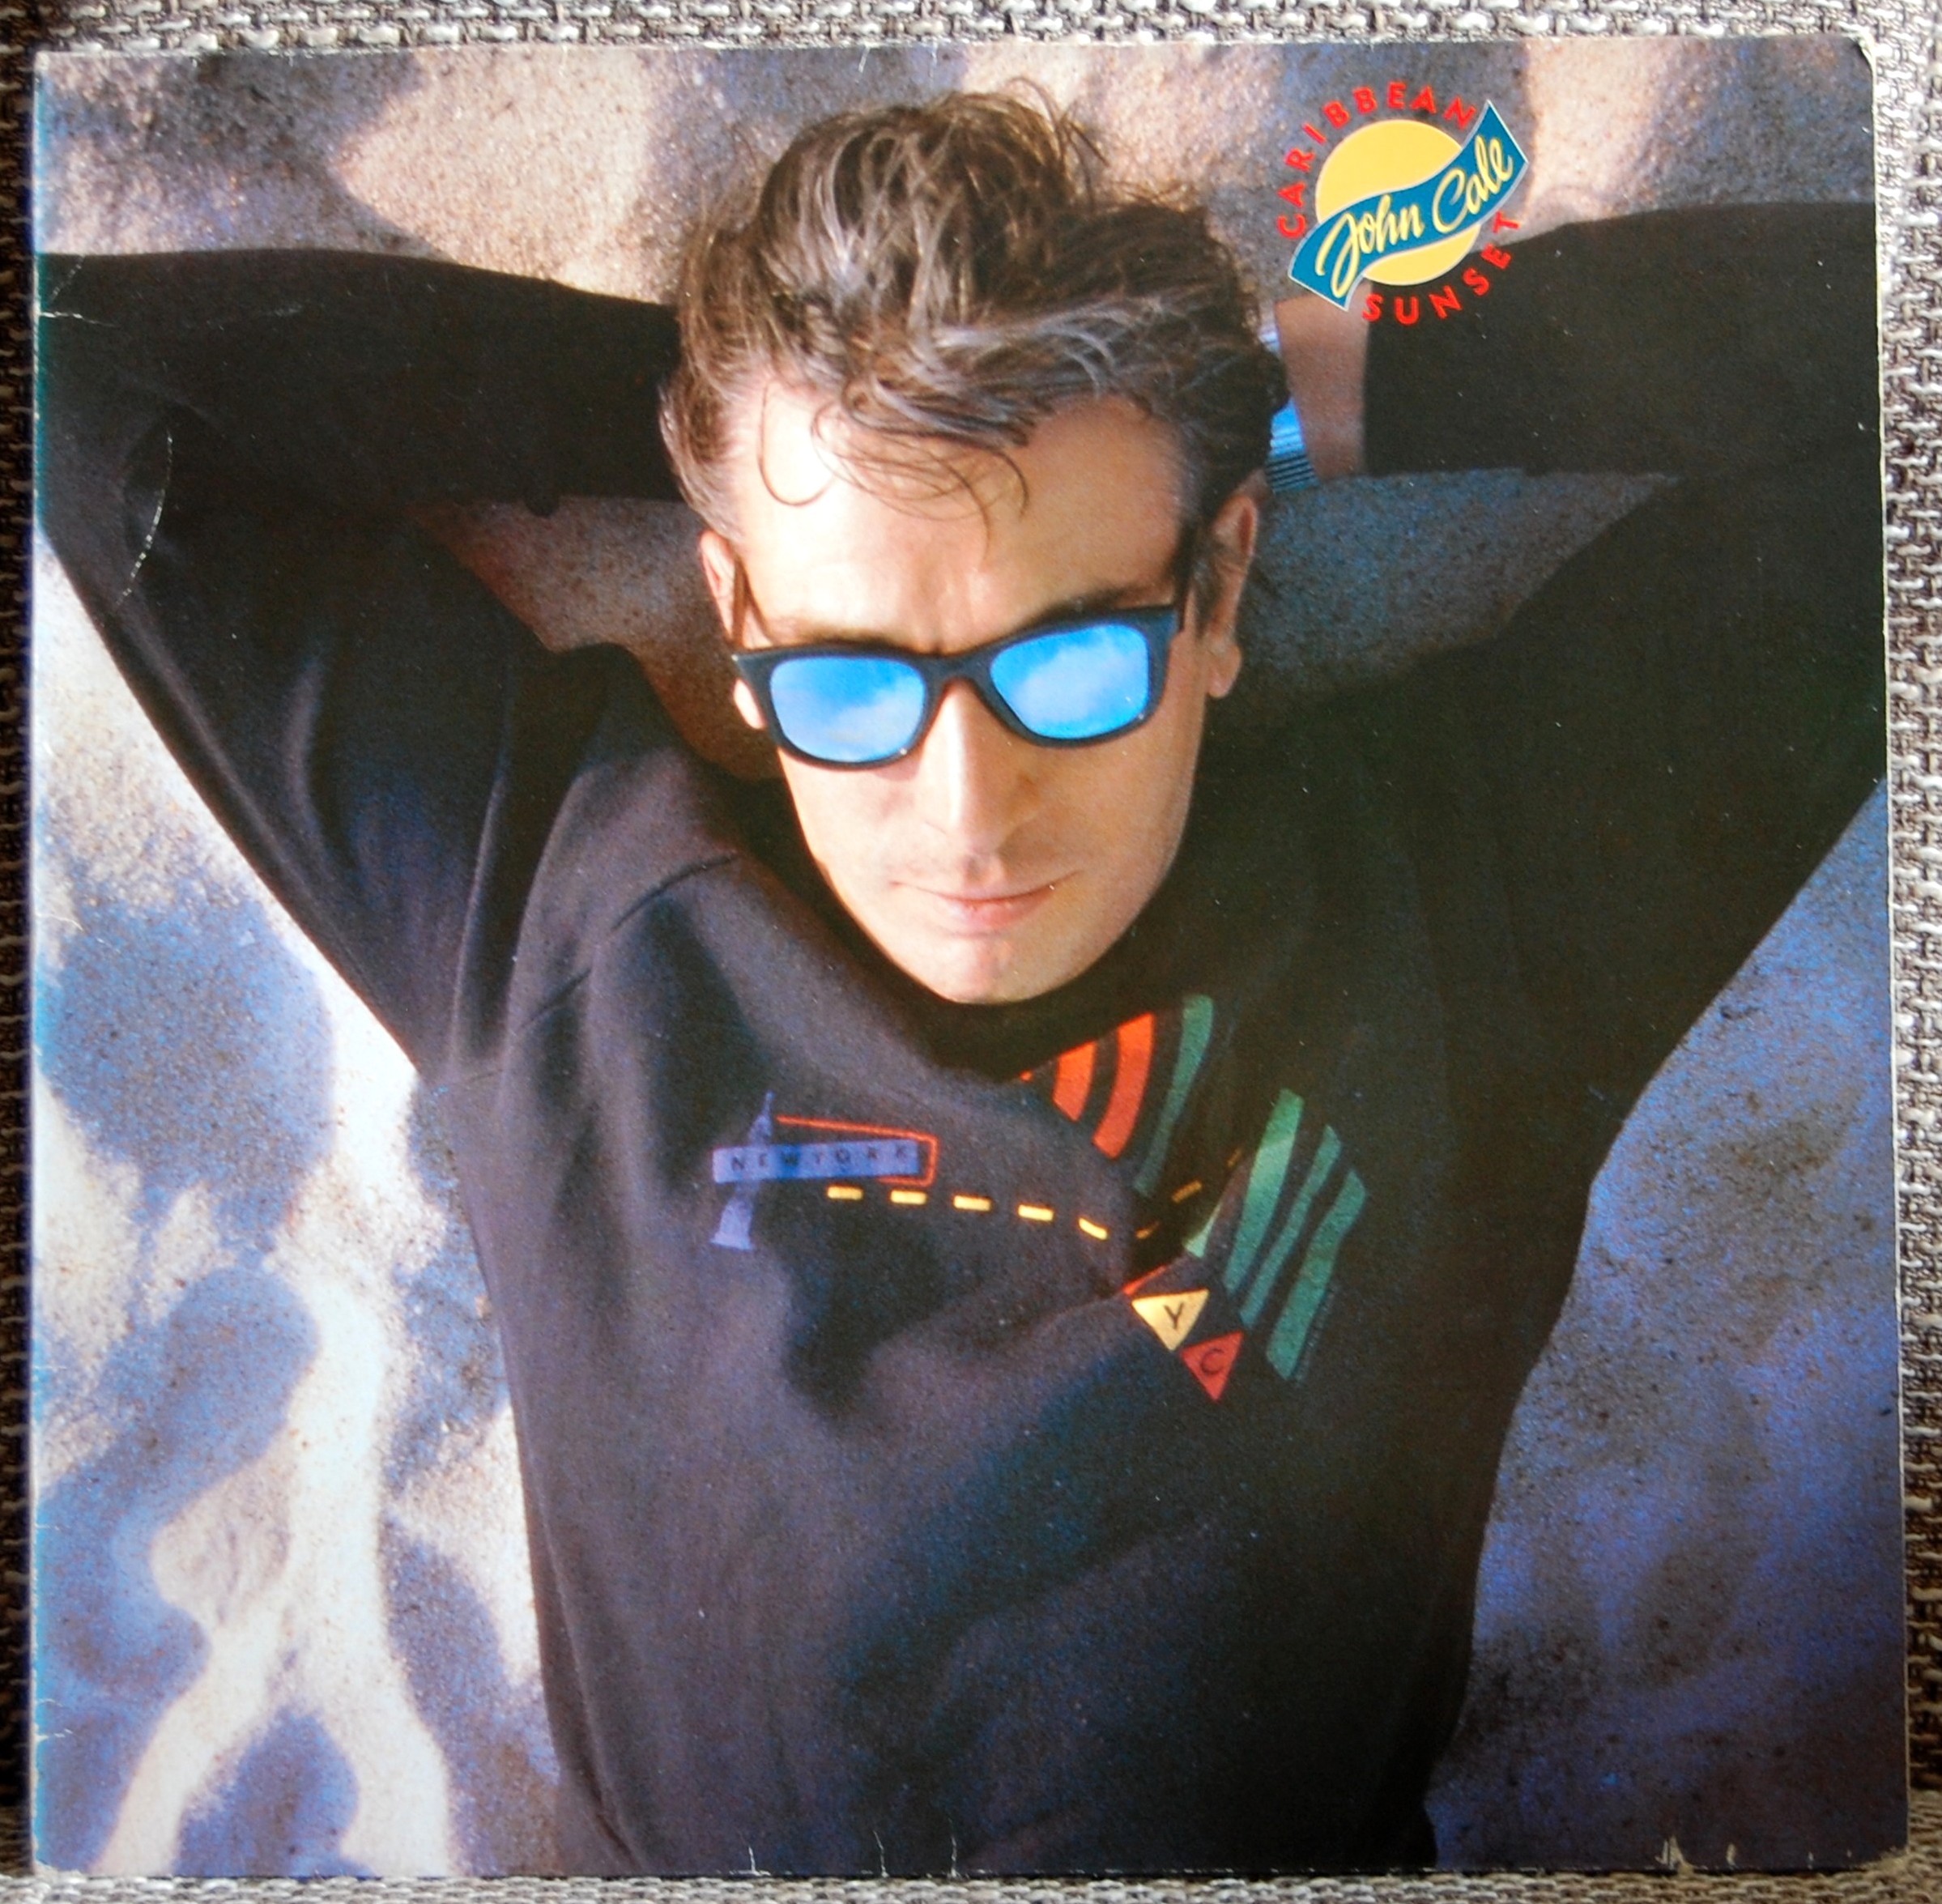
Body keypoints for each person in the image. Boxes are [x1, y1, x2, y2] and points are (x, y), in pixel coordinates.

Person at [36, 92, 1881, 1874]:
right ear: (741, 623)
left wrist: (1266, 394)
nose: (970, 813)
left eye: (1072, 666)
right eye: (851, 681)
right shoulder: (558, 914)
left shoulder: (1465, 919)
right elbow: (80, 368)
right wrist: (766, 431)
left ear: (1217, 593)